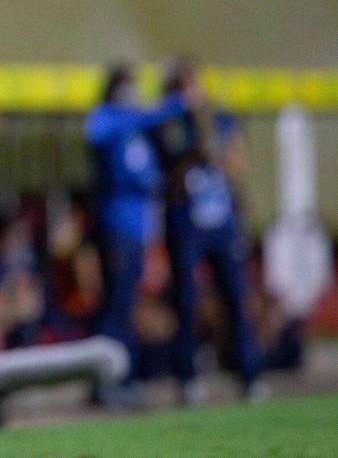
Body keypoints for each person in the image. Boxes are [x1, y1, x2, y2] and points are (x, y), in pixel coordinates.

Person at [158, 61, 265, 404]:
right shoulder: (168, 121)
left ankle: (249, 373)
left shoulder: (218, 117)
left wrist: (215, 149)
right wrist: (198, 150)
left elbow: (235, 159)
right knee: (187, 298)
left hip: (220, 219)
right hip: (187, 221)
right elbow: (172, 164)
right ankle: (188, 378)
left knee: (235, 295)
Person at [84, 64, 189, 405]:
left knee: (126, 307)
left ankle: (120, 378)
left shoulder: (137, 129)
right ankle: (105, 380)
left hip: (139, 232)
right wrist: (172, 104)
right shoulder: (108, 119)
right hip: (117, 229)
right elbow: (96, 132)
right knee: (115, 308)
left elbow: (151, 174)